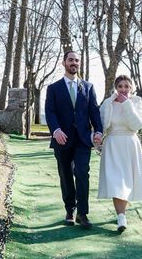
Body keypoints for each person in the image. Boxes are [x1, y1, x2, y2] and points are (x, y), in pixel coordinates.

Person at [45, 50, 103, 229]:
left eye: (77, 60)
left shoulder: (88, 87)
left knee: (82, 172)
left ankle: (83, 214)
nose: (74, 63)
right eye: (71, 60)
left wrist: (99, 131)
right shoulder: (53, 88)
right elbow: (50, 112)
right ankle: (70, 209)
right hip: (62, 139)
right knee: (65, 174)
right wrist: (56, 130)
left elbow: (94, 111)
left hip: (83, 139)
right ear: (64, 63)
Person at [97, 74, 142, 232]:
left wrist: (127, 104)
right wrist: (97, 135)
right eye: (120, 86)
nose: (123, 89)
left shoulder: (136, 102)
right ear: (116, 88)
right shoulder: (108, 103)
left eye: (127, 86)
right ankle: (121, 216)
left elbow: (137, 125)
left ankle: (121, 214)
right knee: (115, 181)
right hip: (112, 144)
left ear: (131, 88)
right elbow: (103, 125)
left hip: (129, 144)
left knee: (126, 181)